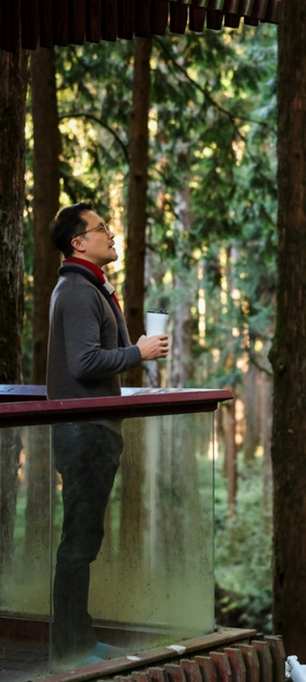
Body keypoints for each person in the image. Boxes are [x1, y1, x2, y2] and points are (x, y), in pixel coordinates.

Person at [46, 202, 169, 668]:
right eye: (101, 229)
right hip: (83, 431)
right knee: (79, 540)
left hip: (90, 429)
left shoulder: (85, 287)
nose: (111, 234)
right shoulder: (77, 290)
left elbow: (93, 356)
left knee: (83, 537)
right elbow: (83, 363)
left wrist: (135, 350)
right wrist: (136, 352)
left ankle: (79, 639)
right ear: (78, 242)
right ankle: (71, 648)